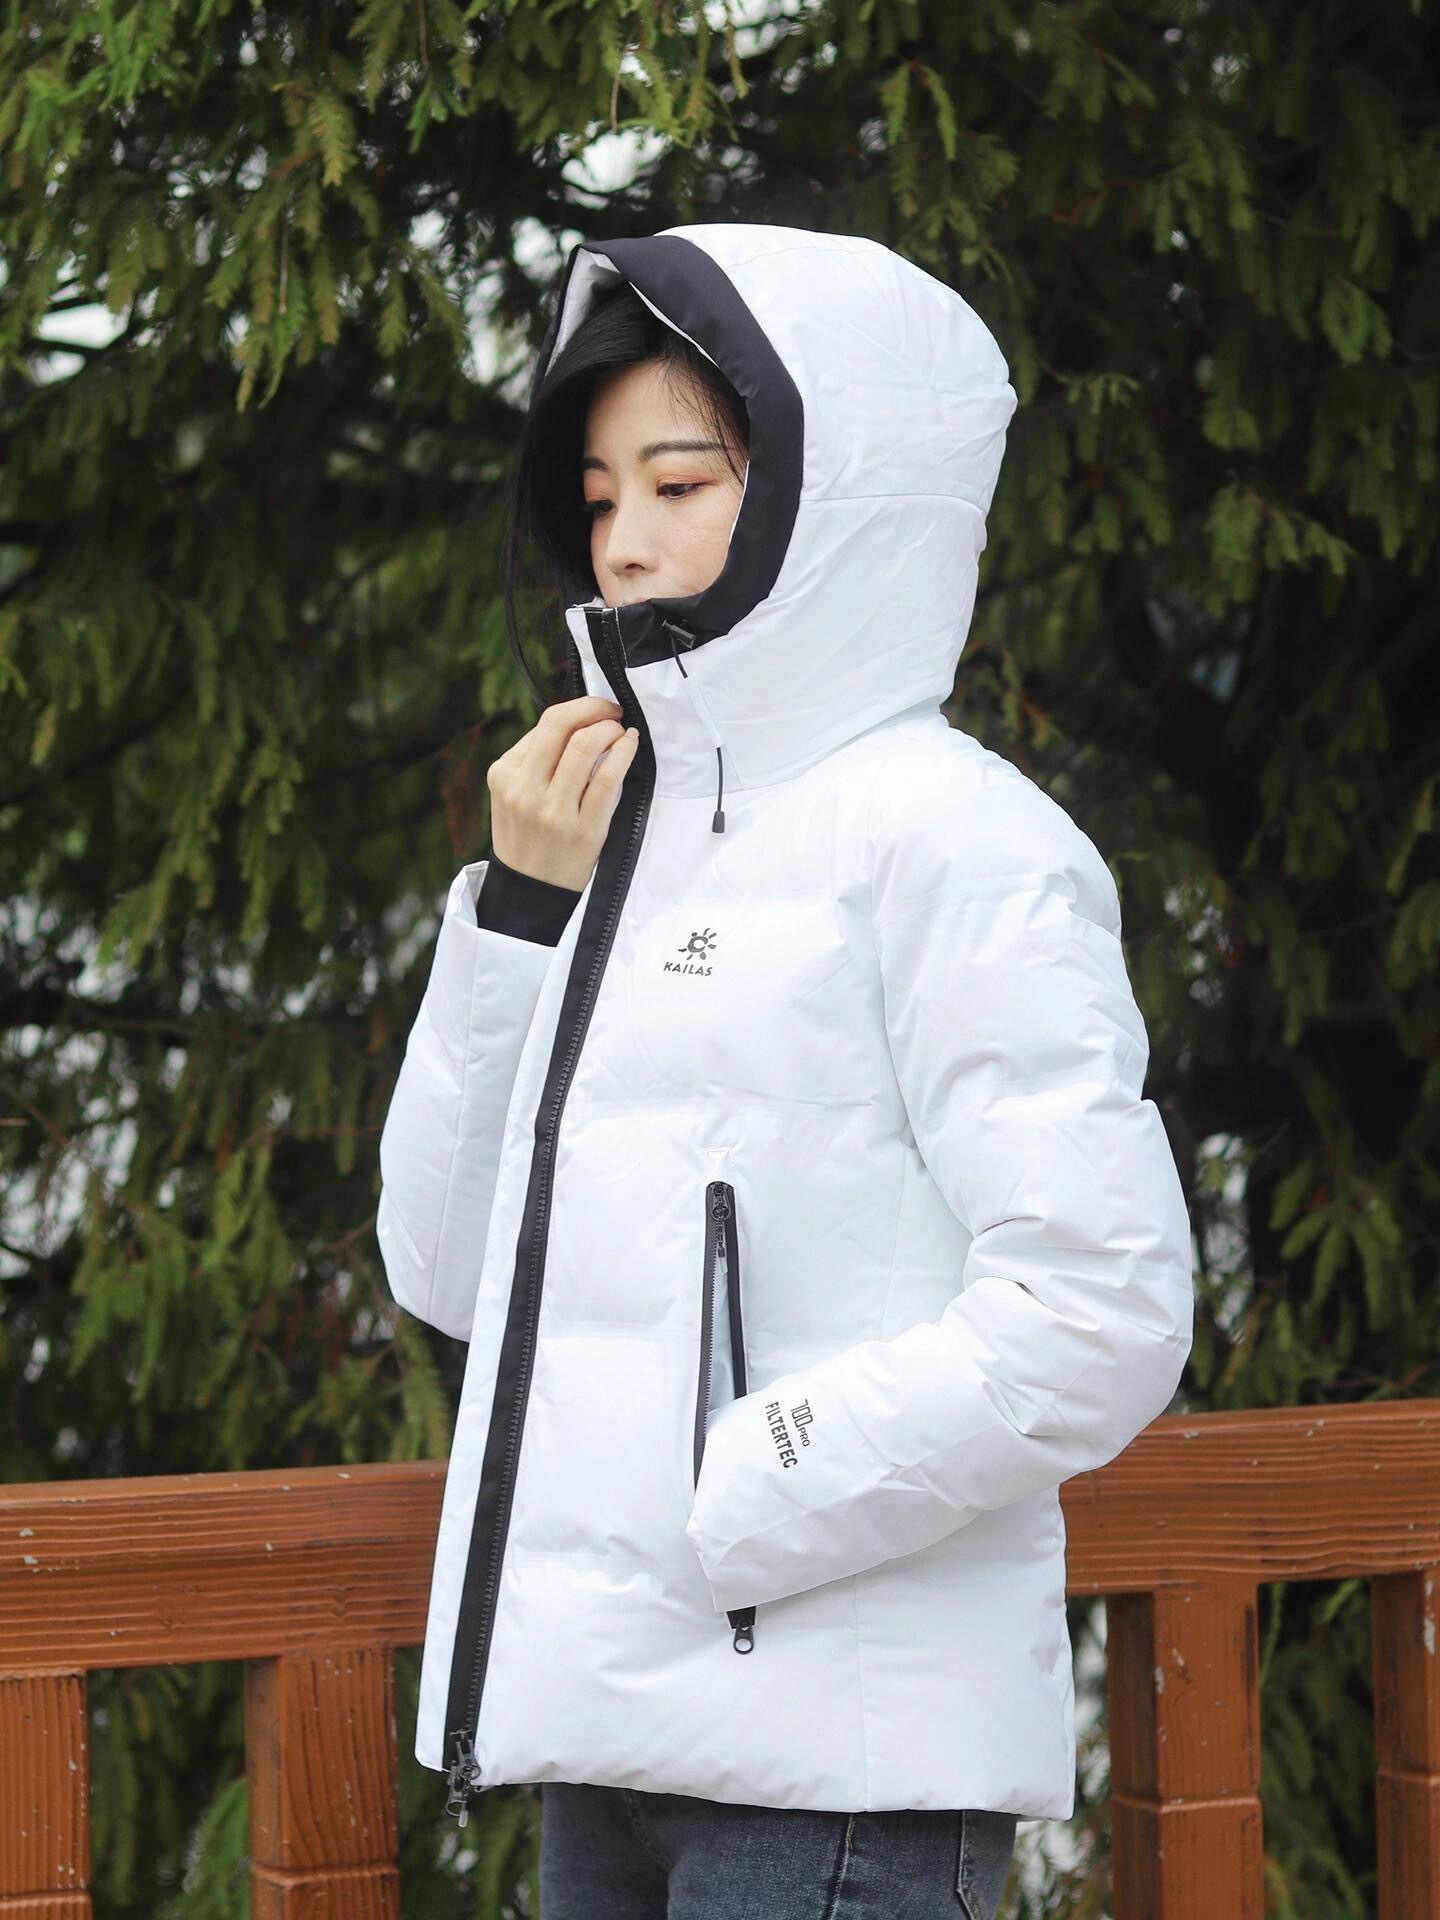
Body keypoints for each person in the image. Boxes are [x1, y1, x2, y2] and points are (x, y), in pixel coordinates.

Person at [375, 222, 1195, 1919]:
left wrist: (747, 1489)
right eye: (598, 495)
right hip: (609, 1743)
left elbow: (1102, 1307)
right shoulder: (627, 846)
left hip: (839, 1777)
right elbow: (450, 1274)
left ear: (845, 495)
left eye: (680, 483)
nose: (624, 541)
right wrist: (520, 913)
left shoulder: (957, 841)